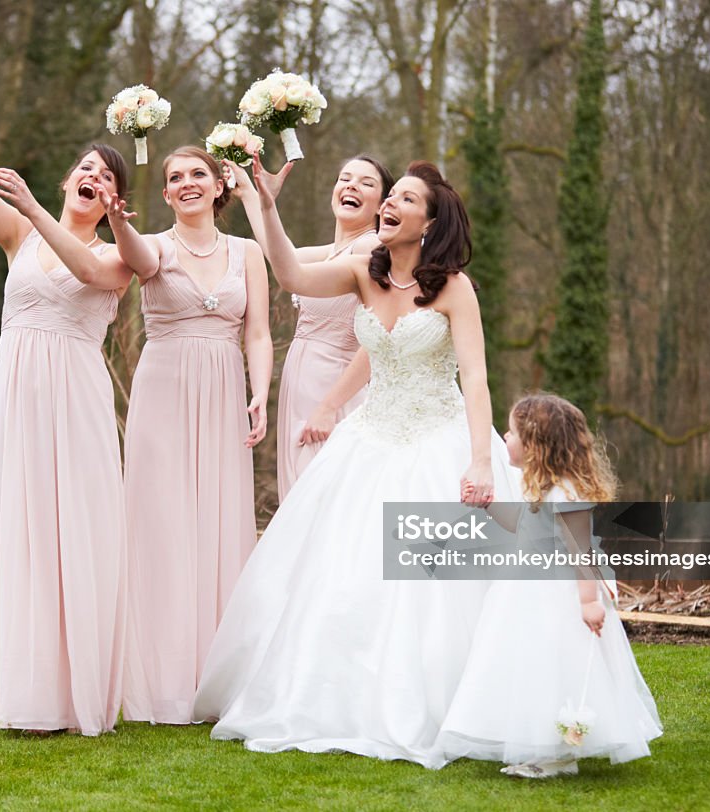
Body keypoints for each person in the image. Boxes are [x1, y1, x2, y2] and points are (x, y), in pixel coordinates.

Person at [192, 157, 519, 768]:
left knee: (431, 588)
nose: (390, 203)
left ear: (429, 221)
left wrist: (479, 461)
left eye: (405, 199)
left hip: (436, 439)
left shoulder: (454, 287)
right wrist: (265, 203)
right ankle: (333, 698)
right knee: (339, 573)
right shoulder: (362, 273)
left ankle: (445, 706)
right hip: (368, 441)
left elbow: (474, 378)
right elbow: (290, 274)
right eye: (389, 195)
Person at [0, 72, 145, 736]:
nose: (88, 175)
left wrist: (41, 211)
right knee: (22, 532)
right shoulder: (20, 236)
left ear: (112, 199)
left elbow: (85, 274)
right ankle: (25, 692)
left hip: (75, 403)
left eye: (102, 175)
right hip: (17, 397)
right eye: (83, 166)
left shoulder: (118, 254)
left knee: (72, 531)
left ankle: (75, 696)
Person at [112, 146, 273, 724]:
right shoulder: (152, 245)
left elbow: (258, 332)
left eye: (196, 174)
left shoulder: (248, 252)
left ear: (217, 185)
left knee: (221, 520)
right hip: (164, 388)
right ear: (165, 194)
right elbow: (134, 258)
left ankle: (219, 674)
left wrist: (259, 391)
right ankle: (160, 680)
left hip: (226, 385)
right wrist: (116, 221)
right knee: (163, 522)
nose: (185, 184)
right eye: (174, 178)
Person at [438, 393, 662, 776]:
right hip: (526, 590)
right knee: (530, 665)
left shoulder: (567, 492)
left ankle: (558, 755)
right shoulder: (539, 485)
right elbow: (523, 526)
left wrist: (589, 602)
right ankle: (542, 745)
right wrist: (487, 504)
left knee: (555, 665)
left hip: (558, 595)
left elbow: (580, 552)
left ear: (536, 443)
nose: (505, 439)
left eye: (512, 433)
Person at [232, 155, 394, 499]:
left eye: (366, 183)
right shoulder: (333, 252)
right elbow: (279, 256)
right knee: (301, 499)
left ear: (382, 205)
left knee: (322, 500)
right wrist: (254, 195)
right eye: (345, 178)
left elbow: (381, 337)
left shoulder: (371, 248)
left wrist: (330, 407)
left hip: (333, 391)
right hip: (302, 385)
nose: (351, 185)